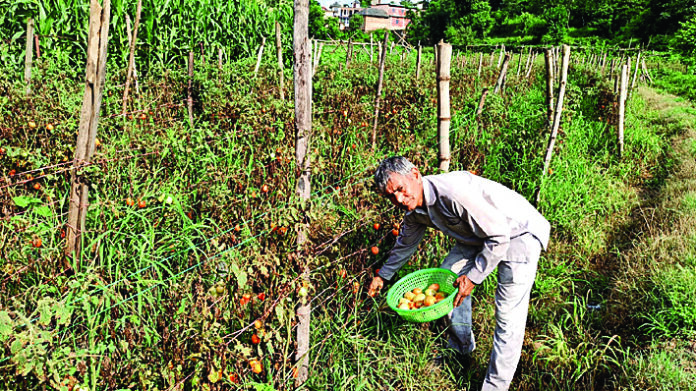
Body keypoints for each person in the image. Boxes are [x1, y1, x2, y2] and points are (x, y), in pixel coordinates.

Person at [367, 156, 550, 391]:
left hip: (517, 233)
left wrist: (473, 277)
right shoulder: (415, 211)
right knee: (447, 279)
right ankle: (461, 348)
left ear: (415, 174)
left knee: (507, 316)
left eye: (401, 190)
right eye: (392, 197)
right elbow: (405, 244)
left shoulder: (452, 194)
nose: (400, 199)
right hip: (480, 236)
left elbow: (499, 236)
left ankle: (494, 387)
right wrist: (383, 276)